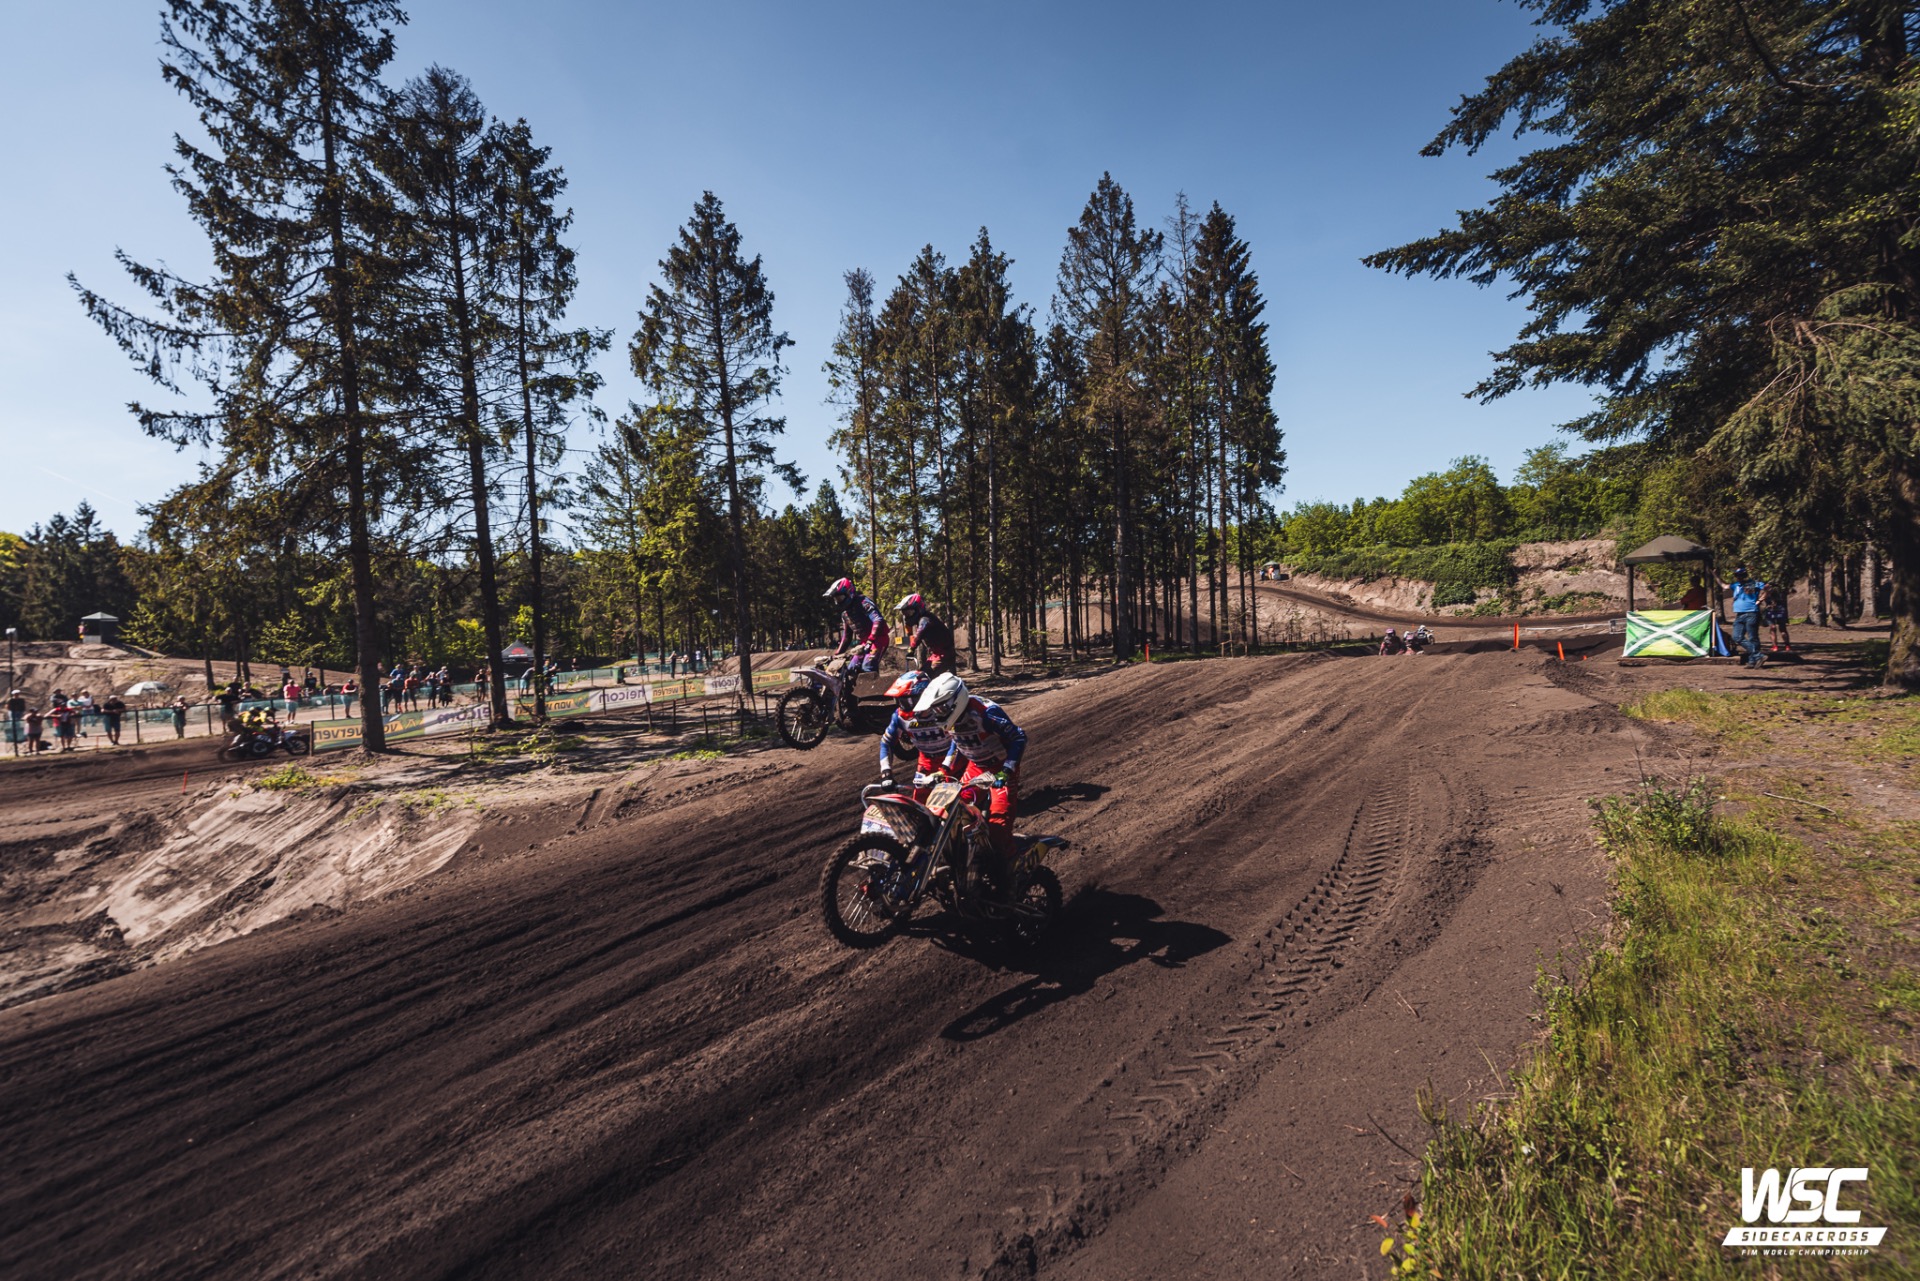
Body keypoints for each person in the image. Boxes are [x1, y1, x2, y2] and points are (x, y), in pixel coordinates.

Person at [913, 672, 1028, 897]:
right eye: (935, 709)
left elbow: (1019, 737)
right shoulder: (953, 717)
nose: (937, 713)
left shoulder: (986, 713)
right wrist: (944, 769)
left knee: (998, 825)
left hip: (1000, 768)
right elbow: (957, 742)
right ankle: (967, 862)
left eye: (940, 708)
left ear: (955, 700)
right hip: (975, 766)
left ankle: (1011, 876)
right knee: (949, 812)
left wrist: (1007, 770)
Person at [877, 671, 950, 802]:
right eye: (900, 701)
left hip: (954, 759)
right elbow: (886, 742)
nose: (903, 706)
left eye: (907, 701)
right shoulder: (900, 716)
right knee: (920, 804)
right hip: (927, 762)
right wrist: (886, 772)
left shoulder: (944, 710)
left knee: (963, 799)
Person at [826, 577, 890, 692]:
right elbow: (847, 636)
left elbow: (878, 620)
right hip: (864, 643)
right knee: (851, 669)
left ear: (848, 593)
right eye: (836, 598)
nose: (838, 601)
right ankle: (854, 698)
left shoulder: (863, 602)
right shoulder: (845, 614)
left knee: (868, 666)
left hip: (879, 639)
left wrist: (870, 640)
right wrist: (837, 654)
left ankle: (874, 695)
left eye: (840, 597)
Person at [896, 593, 957, 677]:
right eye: (905, 613)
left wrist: (911, 649)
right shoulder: (922, 619)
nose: (906, 617)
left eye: (909, 613)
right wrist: (909, 632)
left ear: (918, 609)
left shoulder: (925, 620)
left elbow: (919, 635)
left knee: (924, 677)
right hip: (937, 654)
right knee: (920, 675)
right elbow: (911, 631)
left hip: (944, 654)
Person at [1721, 567, 1767, 668]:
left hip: (1752, 613)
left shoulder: (1753, 583)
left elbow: (1768, 588)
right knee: (1736, 637)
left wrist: (1760, 600)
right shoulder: (1736, 585)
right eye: (1737, 575)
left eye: (1741, 575)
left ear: (1744, 575)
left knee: (1752, 638)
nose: (1739, 577)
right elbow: (1724, 585)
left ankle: (1752, 661)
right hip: (1739, 614)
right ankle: (1758, 656)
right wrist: (1715, 575)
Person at [1763, 583, 1792, 652]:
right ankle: (1785, 646)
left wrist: (1766, 591)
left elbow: (1763, 598)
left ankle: (1777, 646)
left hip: (1774, 610)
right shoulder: (1780, 590)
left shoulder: (1772, 592)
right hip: (1777, 610)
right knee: (1779, 629)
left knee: (1775, 629)